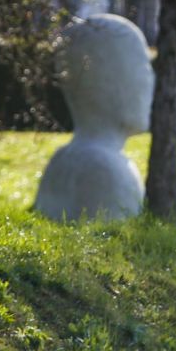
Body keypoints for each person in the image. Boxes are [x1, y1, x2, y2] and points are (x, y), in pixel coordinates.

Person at [34, 13, 154, 221]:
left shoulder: (63, 157)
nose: (150, 82)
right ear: (106, 82)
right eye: (142, 68)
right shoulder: (108, 171)